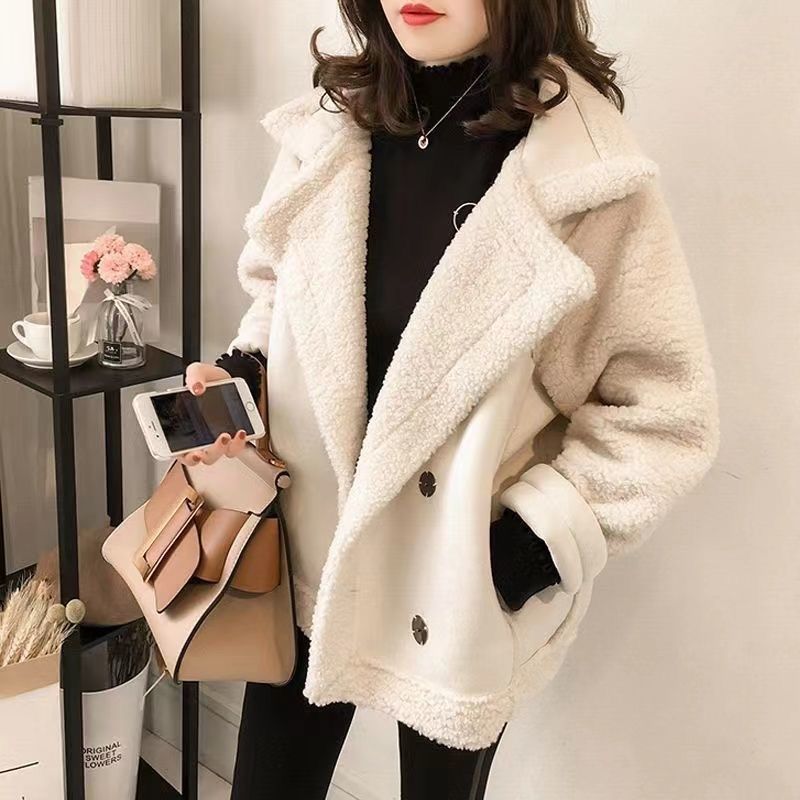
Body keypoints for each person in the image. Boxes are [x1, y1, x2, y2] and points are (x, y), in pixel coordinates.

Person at [180, 1, 720, 797]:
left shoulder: (584, 172)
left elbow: (664, 408)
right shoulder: (331, 130)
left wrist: (528, 547)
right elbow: (279, 288)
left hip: (456, 582)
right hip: (308, 552)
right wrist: (246, 371)